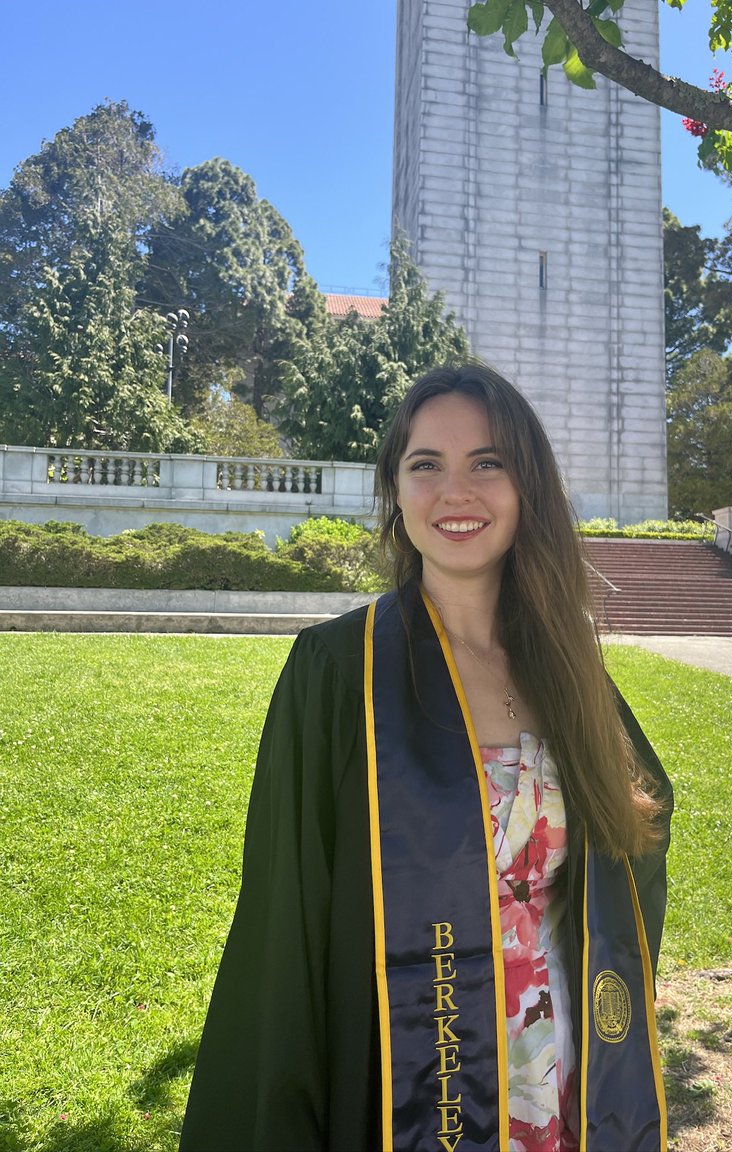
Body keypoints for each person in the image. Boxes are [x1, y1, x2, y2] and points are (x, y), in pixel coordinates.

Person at [179, 363, 673, 1152]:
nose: (456, 491)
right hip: (404, 1080)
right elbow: (286, 923)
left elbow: (637, 833)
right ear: (395, 492)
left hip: (567, 1077)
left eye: (488, 462)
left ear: (527, 486)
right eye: (425, 466)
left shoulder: (566, 666)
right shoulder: (337, 671)